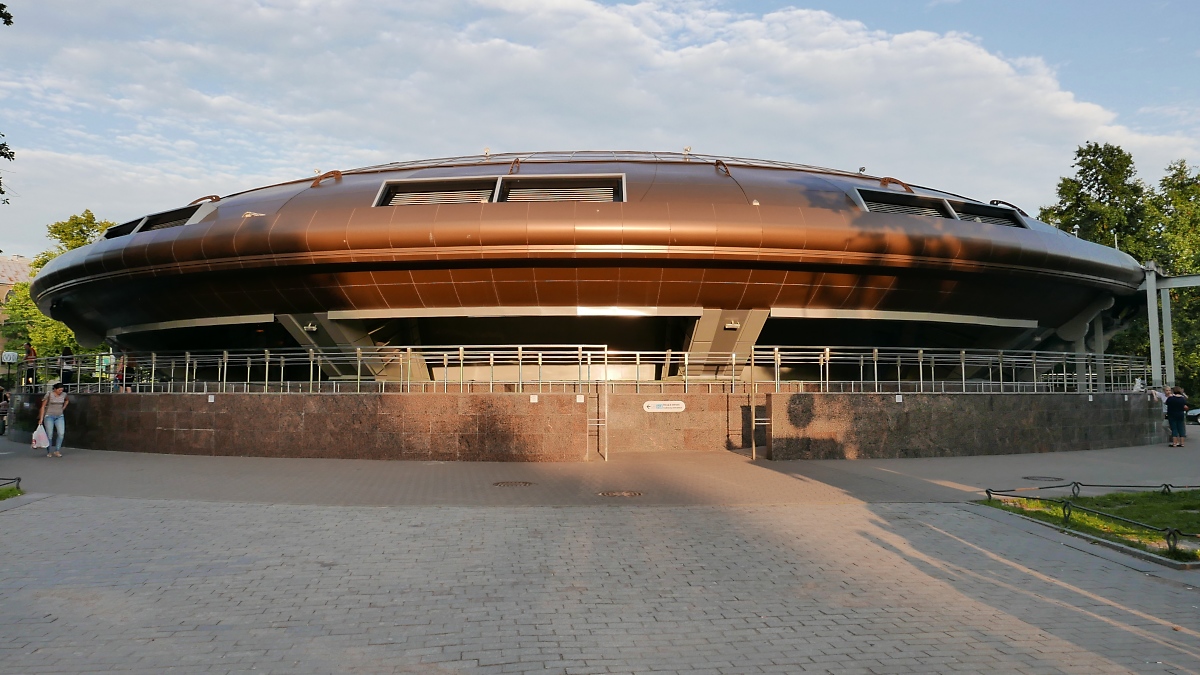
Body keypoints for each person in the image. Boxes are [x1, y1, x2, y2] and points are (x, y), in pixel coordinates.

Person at [38, 381, 68, 458]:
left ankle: (57, 450)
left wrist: (63, 408)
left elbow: (67, 400)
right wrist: (41, 418)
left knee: (61, 433)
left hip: (60, 416)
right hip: (49, 416)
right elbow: (43, 407)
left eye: (62, 390)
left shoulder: (64, 395)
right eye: (59, 390)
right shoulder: (49, 394)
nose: (60, 392)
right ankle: (49, 451)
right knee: (49, 434)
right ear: (55, 389)